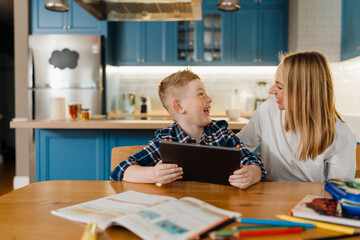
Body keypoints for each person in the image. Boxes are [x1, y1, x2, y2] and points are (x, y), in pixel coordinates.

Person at [110, 69, 266, 189]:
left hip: (220, 205)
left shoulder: (221, 133)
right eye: (200, 94)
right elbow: (120, 171)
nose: (209, 99)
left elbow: (254, 163)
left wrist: (252, 173)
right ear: (179, 106)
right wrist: (154, 174)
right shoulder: (166, 139)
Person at [236, 51, 356, 182]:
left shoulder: (341, 134)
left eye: (280, 87)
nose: (271, 91)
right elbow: (237, 148)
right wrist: (254, 169)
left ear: (303, 93)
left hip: (310, 200)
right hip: (268, 196)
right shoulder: (267, 110)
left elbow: (338, 189)